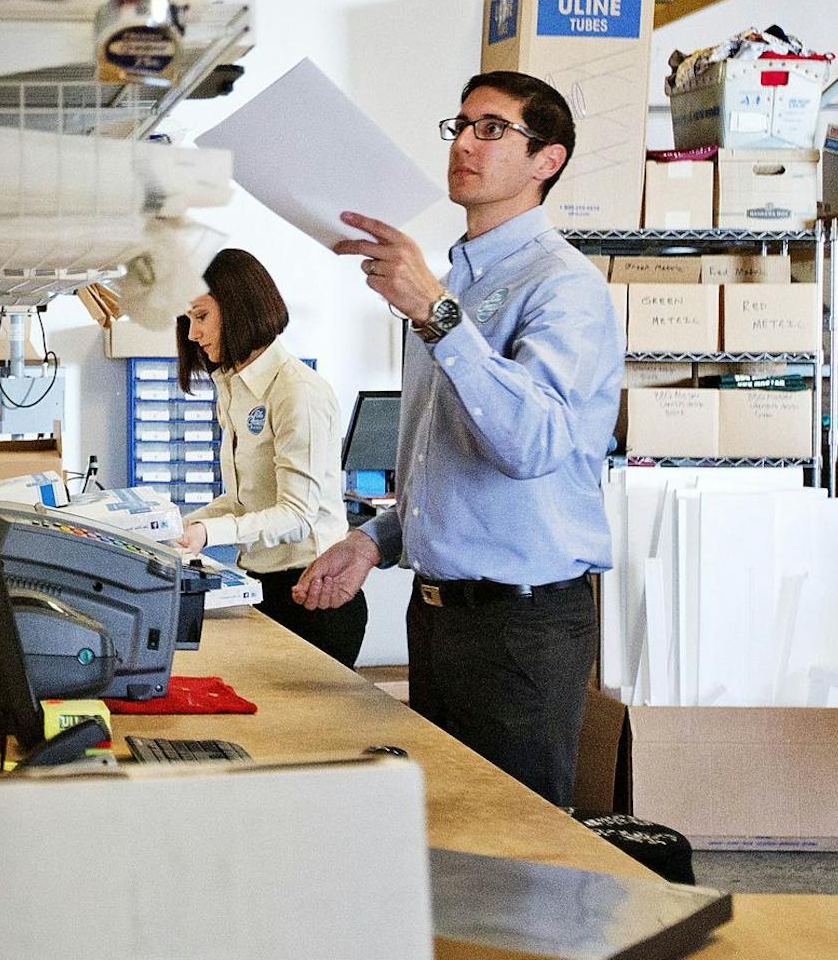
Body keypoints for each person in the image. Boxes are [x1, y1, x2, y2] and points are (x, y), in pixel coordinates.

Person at [294, 70, 623, 807]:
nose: (466, 143)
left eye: (493, 128)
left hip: (522, 626)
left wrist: (439, 317)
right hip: (438, 617)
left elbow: (532, 443)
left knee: (519, 857)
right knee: (453, 844)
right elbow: (444, 458)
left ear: (548, 160)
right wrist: (376, 538)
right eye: (462, 125)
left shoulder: (562, 286)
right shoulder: (455, 283)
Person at [174, 248, 364, 665]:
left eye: (201, 317)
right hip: (263, 584)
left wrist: (209, 534)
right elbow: (245, 500)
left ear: (239, 308)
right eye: (189, 320)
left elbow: (295, 515)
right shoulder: (234, 387)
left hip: (314, 592)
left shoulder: (297, 390)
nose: (192, 335)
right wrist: (180, 525)